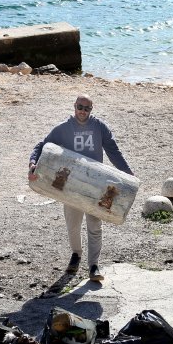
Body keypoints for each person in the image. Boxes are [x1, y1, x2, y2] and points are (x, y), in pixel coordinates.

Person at [28, 94, 133, 282]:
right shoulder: (63, 128)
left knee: (94, 226)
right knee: (73, 226)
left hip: (96, 186)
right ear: (74, 106)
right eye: (80, 107)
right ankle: (76, 255)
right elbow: (41, 145)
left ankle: (94, 265)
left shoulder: (99, 127)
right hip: (70, 185)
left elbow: (113, 151)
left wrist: (128, 175)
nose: (83, 111)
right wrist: (32, 164)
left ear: (91, 110)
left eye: (87, 108)